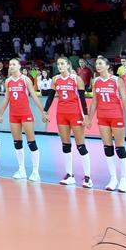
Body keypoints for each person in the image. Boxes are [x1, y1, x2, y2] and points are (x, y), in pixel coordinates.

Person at [42, 57, 90, 187]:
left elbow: (82, 100)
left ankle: (88, 177)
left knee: (81, 145)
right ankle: (69, 174)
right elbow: (50, 97)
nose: (60, 66)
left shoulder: (76, 79)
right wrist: (45, 111)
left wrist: (86, 116)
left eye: (62, 64)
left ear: (68, 65)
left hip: (75, 114)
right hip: (61, 114)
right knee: (65, 144)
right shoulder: (55, 79)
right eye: (58, 64)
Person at [87, 55, 126, 192]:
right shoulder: (96, 81)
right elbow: (94, 102)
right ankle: (113, 178)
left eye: (100, 63)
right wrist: (89, 119)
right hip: (102, 117)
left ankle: (124, 180)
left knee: (120, 147)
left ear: (107, 66)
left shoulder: (117, 80)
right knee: (108, 147)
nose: (98, 66)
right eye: (96, 64)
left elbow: (125, 100)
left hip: (116, 116)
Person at [2, 58, 41, 181]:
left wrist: (43, 111)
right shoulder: (8, 81)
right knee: (17, 142)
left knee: (31, 142)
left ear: (19, 66)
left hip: (26, 114)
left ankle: (35, 171)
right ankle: (21, 169)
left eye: (14, 64)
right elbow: (6, 98)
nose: (11, 66)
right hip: (14, 115)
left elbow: (34, 95)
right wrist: (0, 113)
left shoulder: (25, 79)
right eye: (10, 64)